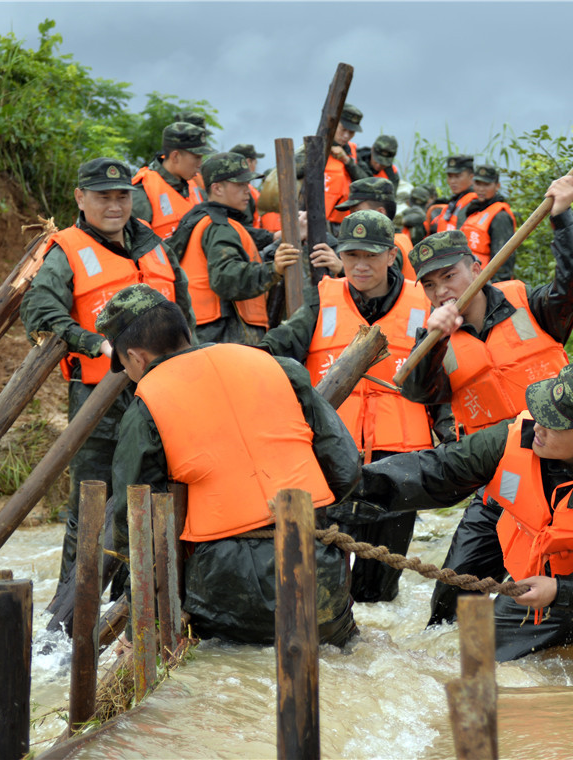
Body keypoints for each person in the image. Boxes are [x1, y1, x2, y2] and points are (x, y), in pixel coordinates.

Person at [358, 361, 573, 676]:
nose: (538, 426)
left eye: (553, 424)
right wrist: (354, 487)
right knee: (471, 668)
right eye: (542, 413)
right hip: (537, 599)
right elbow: (439, 469)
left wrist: (559, 590)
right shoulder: (513, 437)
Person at [95, 284, 361, 645]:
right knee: (335, 662)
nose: (128, 374)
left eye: (124, 365)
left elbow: (138, 526)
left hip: (225, 585)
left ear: (137, 357)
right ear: (185, 332)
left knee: (229, 681)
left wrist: (139, 628)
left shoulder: (145, 408)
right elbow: (345, 469)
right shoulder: (277, 366)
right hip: (318, 562)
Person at [400, 174, 573, 625]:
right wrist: (435, 341)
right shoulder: (431, 339)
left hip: (567, 465)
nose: (442, 290)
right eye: (430, 285)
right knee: (451, 602)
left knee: (570, 581)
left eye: (450, 276)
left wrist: (563, 218)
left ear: (474, 266)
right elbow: (417, 392)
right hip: (500, 474)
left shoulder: (531, 303)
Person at [19, 157, 196, 592]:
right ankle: (72, 614)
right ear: (81, 198)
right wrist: (96, 343)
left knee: (161, 496)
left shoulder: (155, 245)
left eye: (122, 196)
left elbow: (186, 316)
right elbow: (38, 312)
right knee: (92, 506)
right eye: (103, 196)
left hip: (166, 395)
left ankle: (147, 602)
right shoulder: (66, 249)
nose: (114, 205)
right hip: (100, 398)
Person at [260, 210, 446, 602]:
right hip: (333, 455)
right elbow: (276, 348)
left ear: (392, 255)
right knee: (324, 575)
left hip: (400, 461)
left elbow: (446, 380)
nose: (361, 266)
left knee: (380, 586)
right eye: (352, 256)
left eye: (371, 256)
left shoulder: (425, 303)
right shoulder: (321, 299)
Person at [167, 152, 299, 346]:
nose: (248, 190)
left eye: (247, 184)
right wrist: (274, 269)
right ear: (217, 188)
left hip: (208, 334)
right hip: (226, 334)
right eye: (240, 185)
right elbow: (225, 278)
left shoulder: (201, 221)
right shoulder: (220, 226)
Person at [131, 122, 214, 240]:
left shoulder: (193, 188)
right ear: (175, 156)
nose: (200, 164)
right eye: (197, 157)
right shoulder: (142, 193)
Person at [334, 177, 416, 280]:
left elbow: (380, 284)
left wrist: (341, 268)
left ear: (380, 213)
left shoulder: (391, 245)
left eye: (358, 213)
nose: (352, 219)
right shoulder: (400, 238)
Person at [459, 164, 517, 281]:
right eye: (478, 184)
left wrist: (495, 291)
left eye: (486, 185)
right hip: (470, 280)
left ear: (497, 186)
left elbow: (502, 262)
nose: (481, 189)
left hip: (486, 284)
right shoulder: (475, 210)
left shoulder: (500, 217)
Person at [324, 104, 370, 227]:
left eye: (351, 132)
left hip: (345, 224)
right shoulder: (315, 147)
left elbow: (367, 183)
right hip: (318, 221)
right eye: (343, 130)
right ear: (333, 124)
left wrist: (347, 161)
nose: (346, 136)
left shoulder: (353, 152)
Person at [429, 155, 477, 233]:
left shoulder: (474, 204)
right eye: (450, 176)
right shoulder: (455, 201)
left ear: (471, 177)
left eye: (457, 176)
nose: (452, 181)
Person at [228, 142, 267, 226]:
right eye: (255, 162)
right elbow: (245, 224)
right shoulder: (246, 191)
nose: (256, 166)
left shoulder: (230, 188)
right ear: (248, 162)